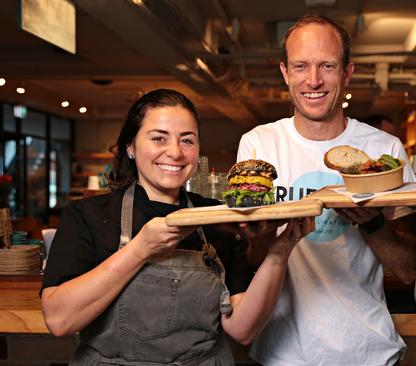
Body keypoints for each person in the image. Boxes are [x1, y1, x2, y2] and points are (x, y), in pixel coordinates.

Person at [41, 89, 314, 365]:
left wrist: (280, 251)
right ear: (131, 147)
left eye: (187, 140)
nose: (175, 152)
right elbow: (59, 319)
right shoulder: (88, 215)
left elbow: (242, 329)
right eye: (159, 138)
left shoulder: (218, 216)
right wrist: (140, 249)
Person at [236, 14, 416, 366]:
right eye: (301, 66)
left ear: (347, 72)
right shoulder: (259, 145)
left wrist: (370, 223)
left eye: (327, 66)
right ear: (285, 72)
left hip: (369, 352)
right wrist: (265, 239)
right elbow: (252, 262)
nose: (314, 80)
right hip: (281, 354)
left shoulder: (385, 151)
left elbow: (412, 269)